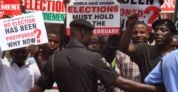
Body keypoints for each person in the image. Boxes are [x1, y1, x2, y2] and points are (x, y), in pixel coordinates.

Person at [29, 19, 161, 92]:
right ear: (83, 33)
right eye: (91, 34)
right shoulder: (94, 58)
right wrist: (155, 89)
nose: (92, 37)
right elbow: (122, 84)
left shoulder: (54, 59)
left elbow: (38, 88)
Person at [119, 12, 176, 82]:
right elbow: (123, 48)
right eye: (156, 30)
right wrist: (130, 25)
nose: (158, 33)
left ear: (172, 35)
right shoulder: (144, 50)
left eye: (163, 30)